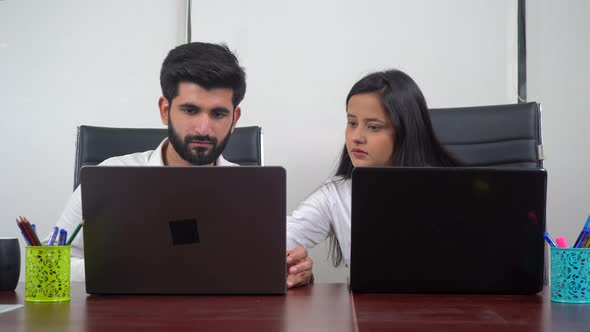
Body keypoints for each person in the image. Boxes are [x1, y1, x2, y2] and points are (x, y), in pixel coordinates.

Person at [54, 42, 312, 287]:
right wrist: (116, 267)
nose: (203, 128)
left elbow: (274, 268)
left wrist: (296, 271)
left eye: (218, 114)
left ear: (235, 119)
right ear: (165, 110)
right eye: (190, 110)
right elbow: (50, 265)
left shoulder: (255, 191)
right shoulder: (107, 178)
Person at [286, 69, 460, 267]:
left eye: (374, 127)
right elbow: (275, 241)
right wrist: (295, 263)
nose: (356, 137)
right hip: (366, 299)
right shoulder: (336, 194)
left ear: (406, 132)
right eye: (352, 123)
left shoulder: (451, 191)